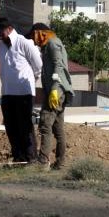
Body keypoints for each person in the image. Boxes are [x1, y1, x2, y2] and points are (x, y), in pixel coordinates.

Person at [0, 17, 42, 164]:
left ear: (9, 29)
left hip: (24, 93)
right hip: (7, 92)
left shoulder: (24, 42)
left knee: (25, 126)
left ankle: (31, 157)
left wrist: (30, 82)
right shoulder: (1, 46)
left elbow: (38, 66)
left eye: (0, 32)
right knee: (10, 126)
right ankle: (18, 158)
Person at [26, 23, 74, 170]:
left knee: (45, 124)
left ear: (41, 33)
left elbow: (59, 66)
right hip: (57, 91)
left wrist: (54, 90)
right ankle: (61, 163)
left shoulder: (53, 43)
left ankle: (43, 162)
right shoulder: (47, 46)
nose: (33, 41)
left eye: (33, 36)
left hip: (57, 91)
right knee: (58, 129)